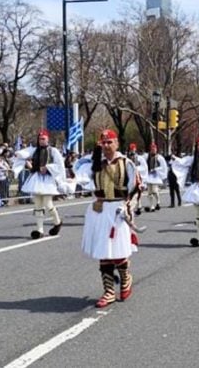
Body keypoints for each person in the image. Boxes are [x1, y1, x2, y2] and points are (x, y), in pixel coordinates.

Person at [75, 129, 140, 308]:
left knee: (118, 250)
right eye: (103, 143)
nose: (106, 146)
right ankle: (109, 291)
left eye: (109, 142)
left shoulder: (126, 163)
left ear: (117, 143)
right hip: (100, 209)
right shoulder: (95, 163)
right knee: (103, 251)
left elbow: (136, 187)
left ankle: (125, 277)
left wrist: (128, 207)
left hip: (119, 209)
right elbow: (79, 174)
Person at [13, 129, 66, 239]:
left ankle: (57, 222)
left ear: (47, 139)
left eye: (43, 139)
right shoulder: (35, 150)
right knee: (37, 205)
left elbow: (60, 165)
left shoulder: (53, 151)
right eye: (40, 139)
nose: (41, 141)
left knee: (48, 203)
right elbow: (24, 153)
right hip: (37, 179)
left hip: (48, 180)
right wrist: (18, 154)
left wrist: (48, 168)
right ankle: (39, 229)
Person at [142, 142, 167, 212]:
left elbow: (163, 166)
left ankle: (158, 202)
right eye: (152, 149)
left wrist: (156, 169)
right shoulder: (147, 157)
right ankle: (151, 206)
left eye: (154, 149)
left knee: (154, 190)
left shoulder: (159, 157)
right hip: (149, 175)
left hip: (156, 176)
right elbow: (142, 162)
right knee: (149, 192)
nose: (153, 150)